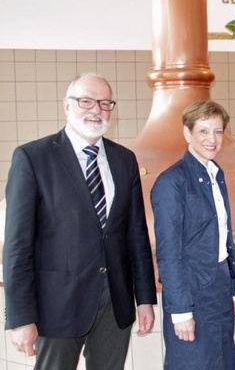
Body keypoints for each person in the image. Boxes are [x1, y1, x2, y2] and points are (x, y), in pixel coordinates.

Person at [3, 73, 157, 370]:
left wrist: (145, 299)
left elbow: (135, 236)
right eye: (85, 101)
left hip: (115, 304)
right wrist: (21, 317)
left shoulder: (124, 160)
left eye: (104, 102)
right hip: (56, 306)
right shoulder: (33, 158)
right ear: (67, 106)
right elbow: (18, 246)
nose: (96, 109)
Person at [151, 100, 235, 370]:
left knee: (224, 363)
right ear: (187, 133)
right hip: (191, 293)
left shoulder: (216, 173)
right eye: (203, 131)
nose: (211, 139)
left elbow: (221, 237)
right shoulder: (171, 182)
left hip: (220, 288)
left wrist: (232, 288)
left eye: (217, 131)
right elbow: (168, 253)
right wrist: (180, 311)